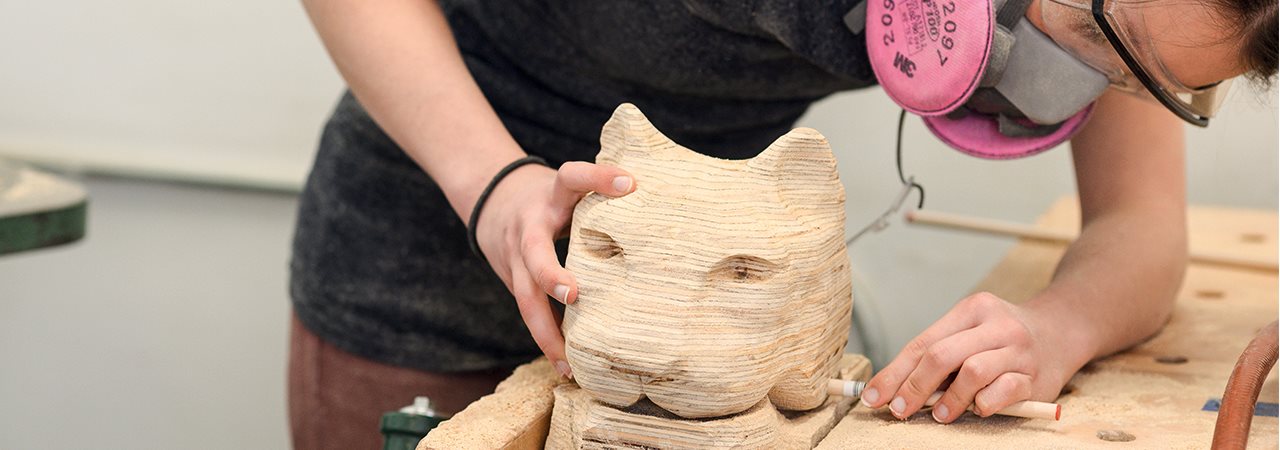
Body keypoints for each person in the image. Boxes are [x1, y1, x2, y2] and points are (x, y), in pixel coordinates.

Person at [287, 0, 1277, 447]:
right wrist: (492, 182)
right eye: (1101, 42)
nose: (1087, 86)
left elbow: (1140, 227)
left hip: (703, 303)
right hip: (436, 220)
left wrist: (1058, 323)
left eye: (1135, 79)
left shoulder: (1148, 24)